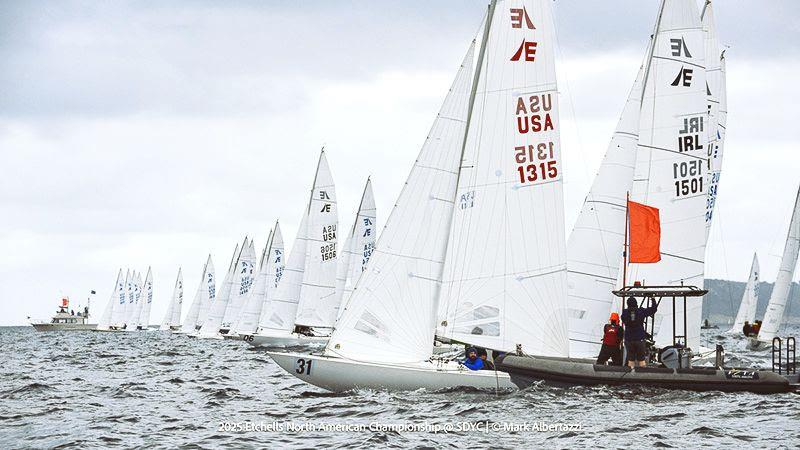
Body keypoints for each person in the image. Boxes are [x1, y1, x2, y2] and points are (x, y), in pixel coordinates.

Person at [621, 296, 658, 368]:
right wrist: (653, 299)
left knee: (631, 359)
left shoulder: (624, 313)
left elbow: (624, 320)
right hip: (639, 339)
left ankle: (630, 374)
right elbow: (654, 309)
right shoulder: (641, 311)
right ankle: (642, 373)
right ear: (636, 303)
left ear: (627, 304)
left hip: (629, 339)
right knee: (641, 359)